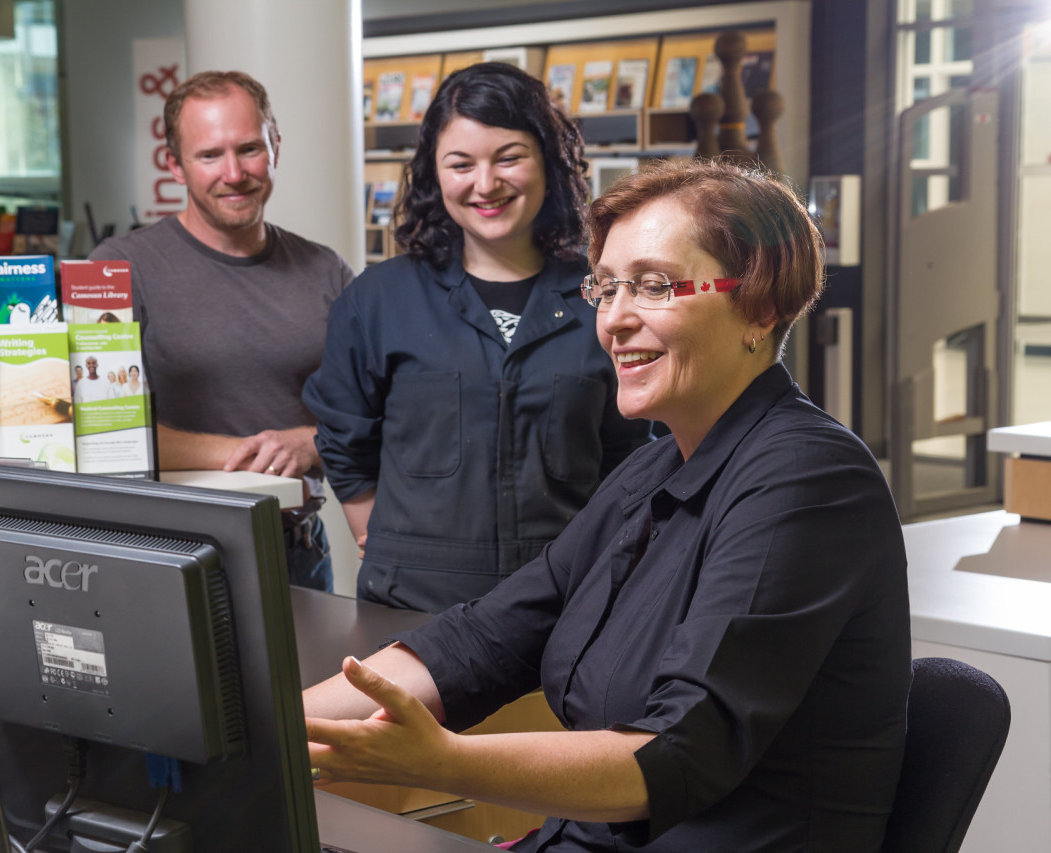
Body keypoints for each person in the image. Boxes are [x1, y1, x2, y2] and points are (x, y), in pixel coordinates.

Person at [304, 160, 911, 852]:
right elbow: (487, 639)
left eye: (654, 286)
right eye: (607, 287)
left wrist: (441, 761)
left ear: (761, 308)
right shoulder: (655, 466)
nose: (615, 320)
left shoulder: (810, 479)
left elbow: (677, 751)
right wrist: (275, 731)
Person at [303, 62, 651, 614]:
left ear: (548, 163)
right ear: (433, 174)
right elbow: (345, 438)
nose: (485, 184)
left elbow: (629, 450)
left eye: (509, 157)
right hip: (412, 604)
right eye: (460, 164)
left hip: (562, 603)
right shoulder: (379, 301)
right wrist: (390, 545)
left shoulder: (603, 300)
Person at [89, 70, 353, 592]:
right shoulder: (115, 269)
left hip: (294, 554)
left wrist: (311, 440)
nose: (234, 173)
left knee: (307, 680)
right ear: (175, 165)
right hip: (165, 557)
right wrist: (251, 454)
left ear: (275, 147)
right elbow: (101, 431)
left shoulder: (328, 272)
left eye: (250, 148)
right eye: (210, 155)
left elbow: (379, 411)